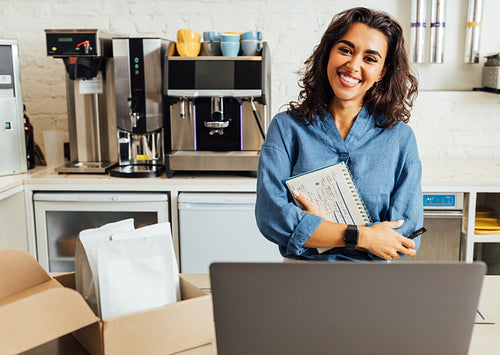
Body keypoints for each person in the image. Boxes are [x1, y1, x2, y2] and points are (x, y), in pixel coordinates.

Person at [255, 7, 423, 262]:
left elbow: (405, 237)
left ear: (382, 72)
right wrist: (362, 237)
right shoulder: (286, 128)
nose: (353, 65)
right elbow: (272, 218)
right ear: (328, 54)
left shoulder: (400, 139)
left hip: (371, 284)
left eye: (370, 58)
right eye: (345, 50)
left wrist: (316, 229)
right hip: (300, 280)